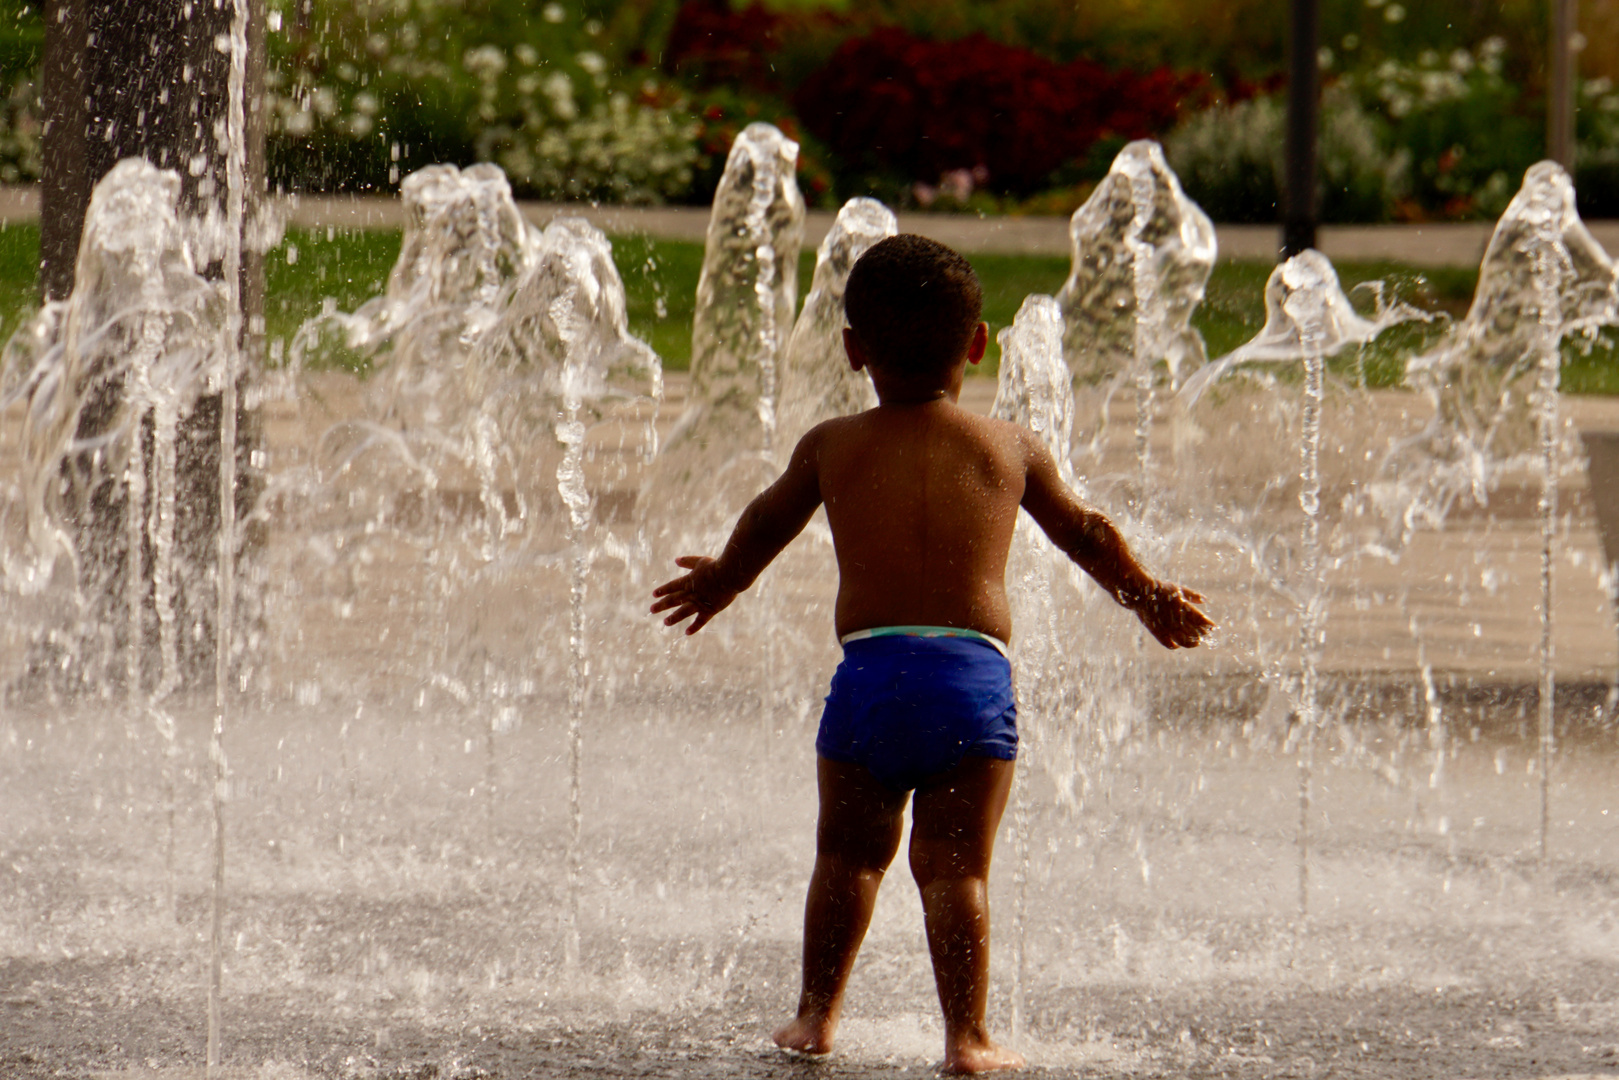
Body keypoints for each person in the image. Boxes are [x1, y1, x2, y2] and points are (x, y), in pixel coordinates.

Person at [650, 235, 1213, 1074]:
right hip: (970, 681)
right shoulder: (1010, 447)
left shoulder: (830, 443)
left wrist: (723, 581)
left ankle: (813, 1017)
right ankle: (966, 1038)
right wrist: (1149, 597)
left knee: (846, 856)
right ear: (977, 343)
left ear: (852, 350)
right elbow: (1086, 535)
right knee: (955, 872)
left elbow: (768, 519)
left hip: (871, 678)